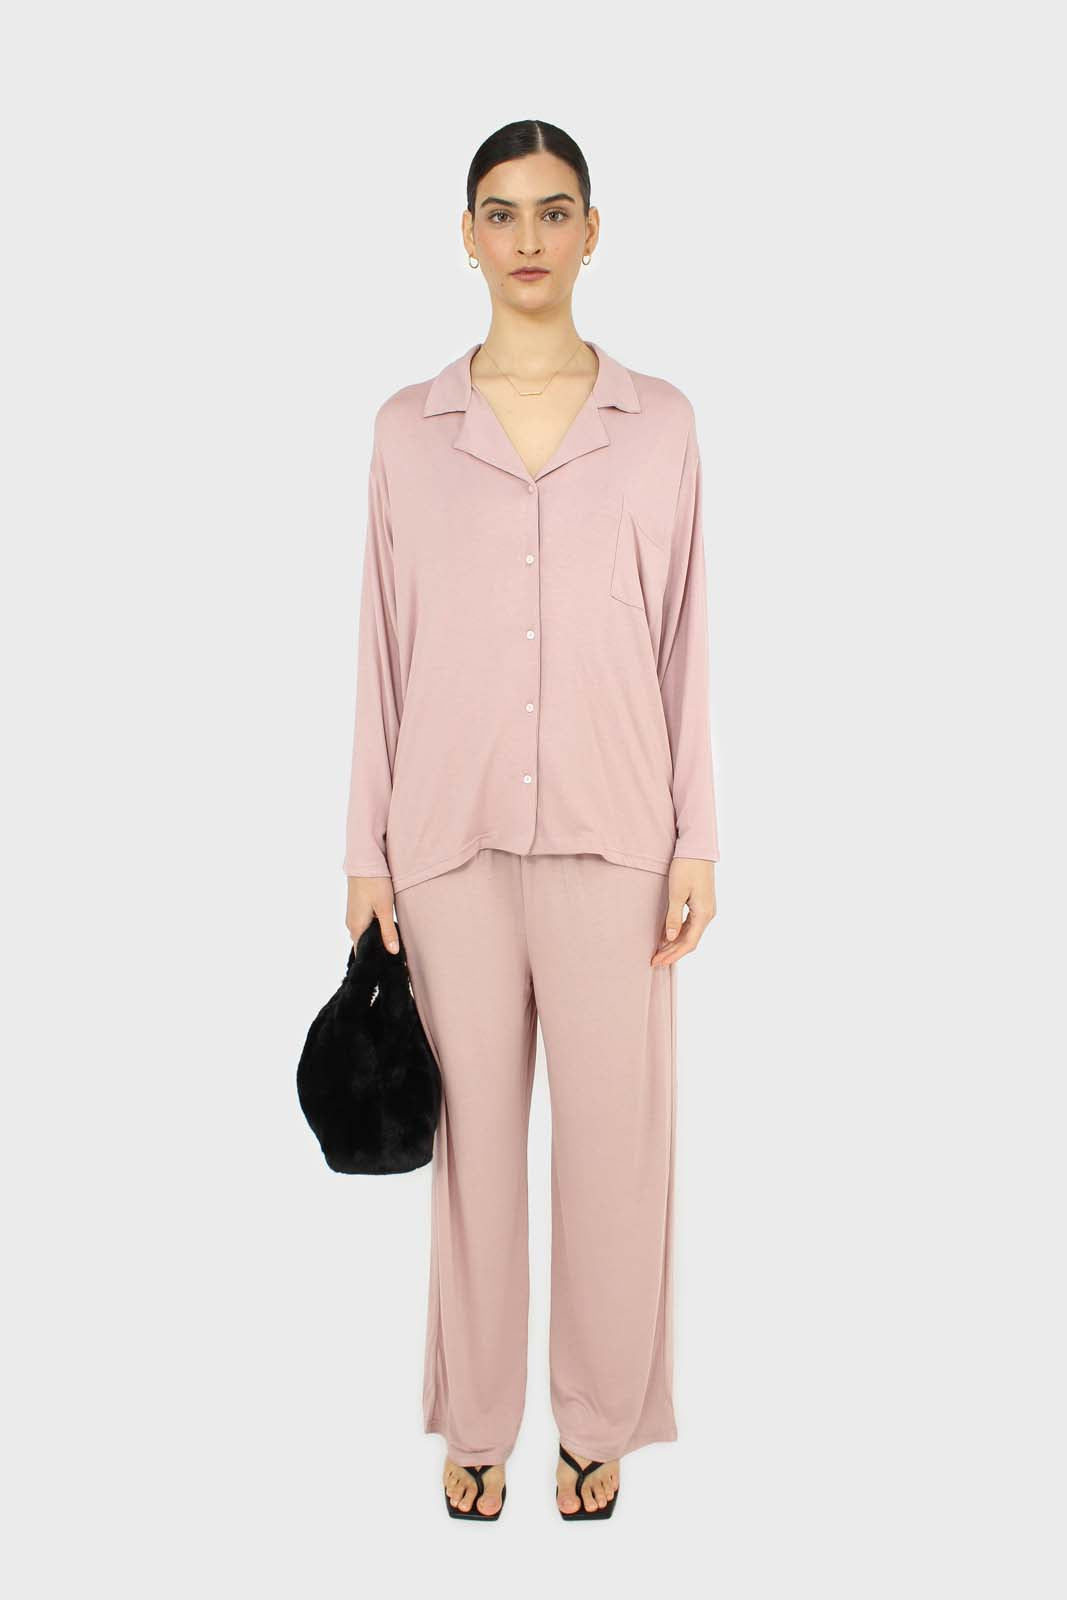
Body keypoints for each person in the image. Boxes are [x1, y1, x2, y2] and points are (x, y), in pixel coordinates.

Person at [342, 119, 720, 1520]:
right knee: (476, 1164)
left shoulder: (660, 423)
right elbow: (380, 646)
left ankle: (601, 1416)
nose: (527, 239)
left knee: (616, 1156)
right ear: (467, 235)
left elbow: (685, 642)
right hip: (444, 848)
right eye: (501, 213)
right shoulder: (408, 429)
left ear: (592, 231)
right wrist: (363, 853)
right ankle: (479, 1418)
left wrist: (698, 838)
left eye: (554, 212)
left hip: (619, 842)